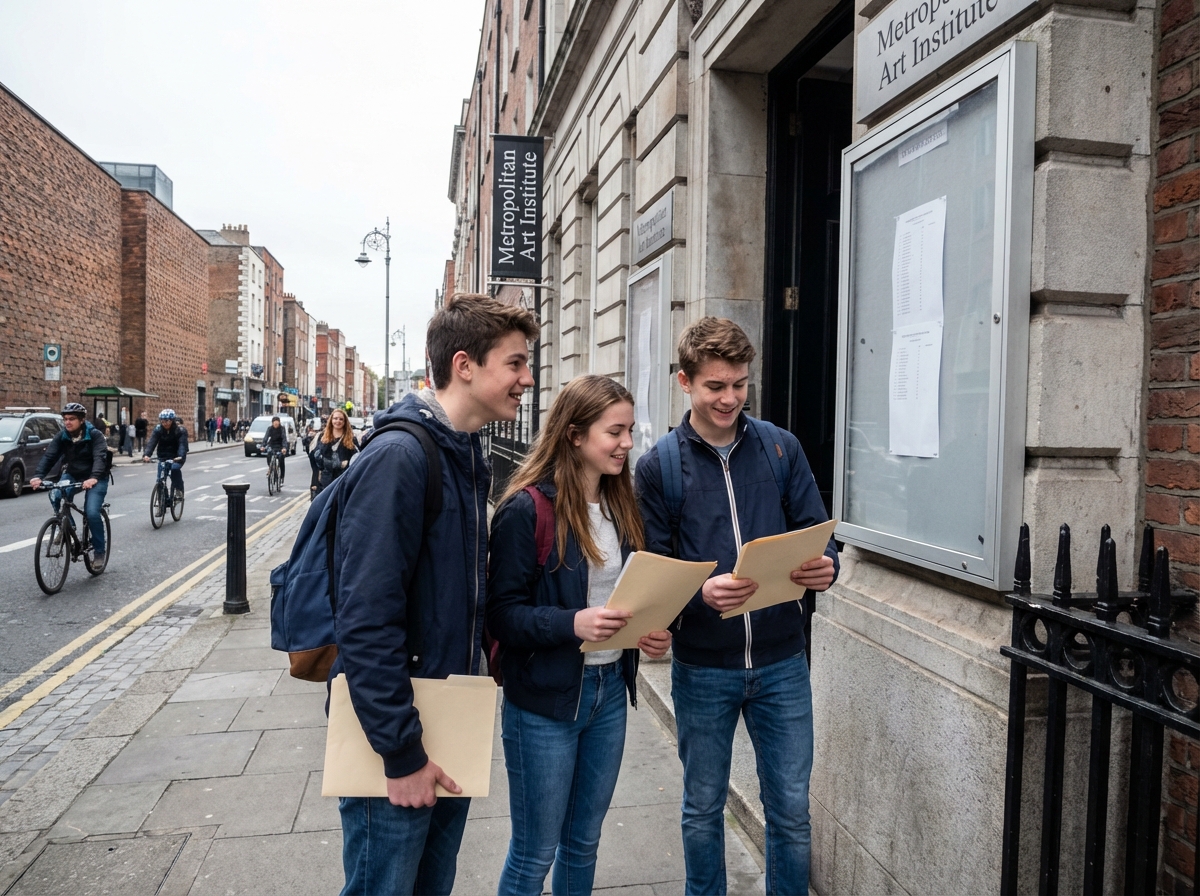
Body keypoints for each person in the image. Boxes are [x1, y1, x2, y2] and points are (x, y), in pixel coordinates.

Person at [332, 294, 539, 896]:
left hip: (449, 719)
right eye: (516, 363)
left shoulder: (463, 451)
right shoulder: (402, 456)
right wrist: (401, 753)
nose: (527, 379)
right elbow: (366, 619)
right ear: (465, 365)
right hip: (400, 733)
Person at [634, 317, 839, 896]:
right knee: (702, 808)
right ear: (685, 382)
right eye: (715, 387)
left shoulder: (781, 448)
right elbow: (654, 569)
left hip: (782, 662)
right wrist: (696, 596)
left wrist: (827, 566)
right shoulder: (660, 467)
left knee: (791, 812)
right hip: (703, 667)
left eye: (740, 385)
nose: (729, 399)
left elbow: (817, 532)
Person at [487, 375, 672, 896]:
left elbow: (629, 598)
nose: (627, 443)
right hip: (543, 704)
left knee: (584, 842)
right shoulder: (526, 510)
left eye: (630, 430)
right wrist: (573, 624)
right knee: (533, 854)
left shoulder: (623, 506)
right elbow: (501, 616)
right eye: (615, 432)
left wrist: (648, 635)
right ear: (574, 435)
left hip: (609, 693)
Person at [29, 403, 111, 567]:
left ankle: (99, 552)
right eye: (65, 419)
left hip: (96, 477)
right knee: (56, 493)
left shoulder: (95, 436)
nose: (67, 422)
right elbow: (49, 457)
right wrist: (38, 476)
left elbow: (99, 458)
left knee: (92, 512)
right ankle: (68, 524)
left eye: (72, 419)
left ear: (81, 420)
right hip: (73, 474)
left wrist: (93, 477)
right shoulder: (62, 436)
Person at [142, 409, 189, 498]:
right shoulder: (158, 429)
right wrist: (147, 454)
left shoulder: (180, 430)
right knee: (160, 480)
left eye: (167, 421)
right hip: (163, 456)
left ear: (172, 420)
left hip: (176, 457)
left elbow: (182, 445)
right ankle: (162, 503)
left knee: (175, 470)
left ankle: (178, 490)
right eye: (162, 421)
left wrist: (180, 456)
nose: (165, 423)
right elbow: (152, 442)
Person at [313, 408, 357, 495]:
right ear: (331, 420)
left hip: (344, 479)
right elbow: (317, 457)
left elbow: (357, 458)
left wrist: (347, 464)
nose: (338, 421)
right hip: (326, 481)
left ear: (345, 422)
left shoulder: (351, 438)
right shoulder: (323, 436)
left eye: (341, 419)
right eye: (335, 418)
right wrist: (339, 464)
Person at [262, 415, 288, 484]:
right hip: (272, 445)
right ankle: (271, 468)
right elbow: (266, 437)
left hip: (280, 446)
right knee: (269, 454)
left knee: (281, 458)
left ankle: (282, 477)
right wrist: (263, 446)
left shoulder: (282, 429)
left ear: (279, 423)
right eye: (274, 422)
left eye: (277, 422)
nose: (276, 424)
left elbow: (284, 439)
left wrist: (284, 448)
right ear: (272, 423)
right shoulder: (270, 429)